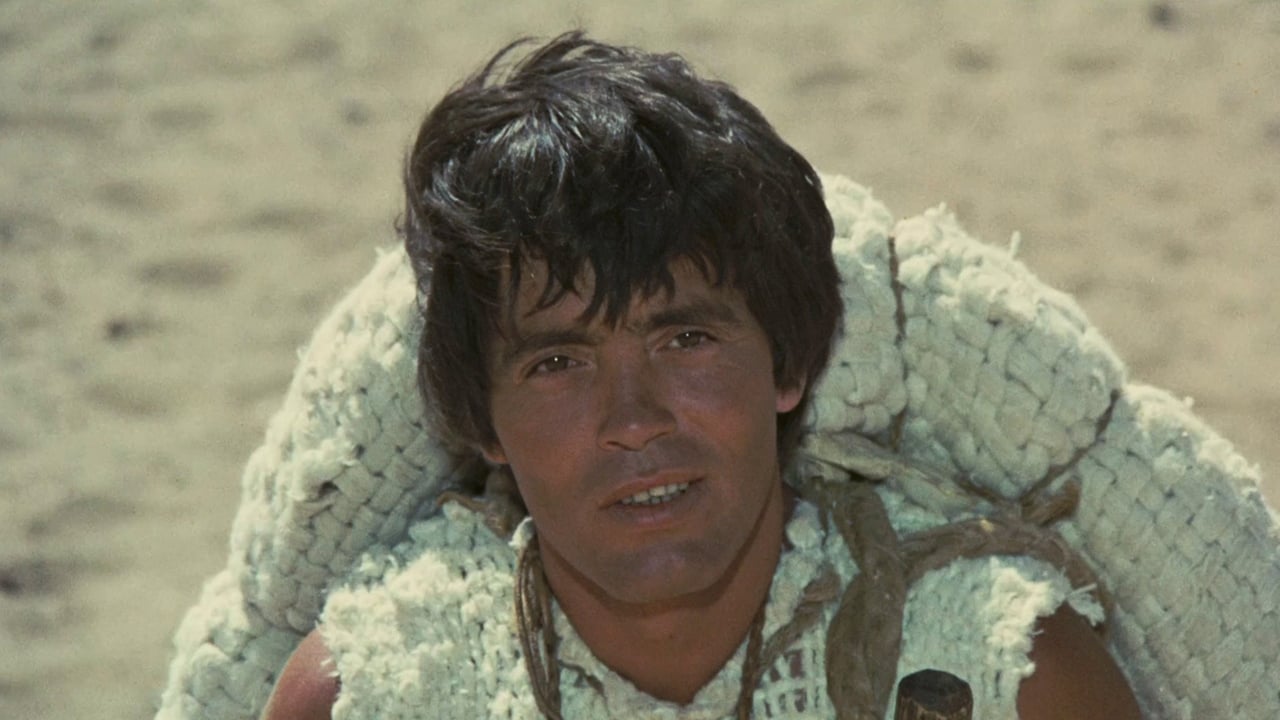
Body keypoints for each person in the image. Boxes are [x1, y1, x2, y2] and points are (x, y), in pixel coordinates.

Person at [261, 32, 1142, 719]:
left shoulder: (1009, 671)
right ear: (484, 421)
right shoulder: (372, 695)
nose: (633, 420)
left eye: (685, 340)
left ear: (786, 364)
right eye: (559, 363)